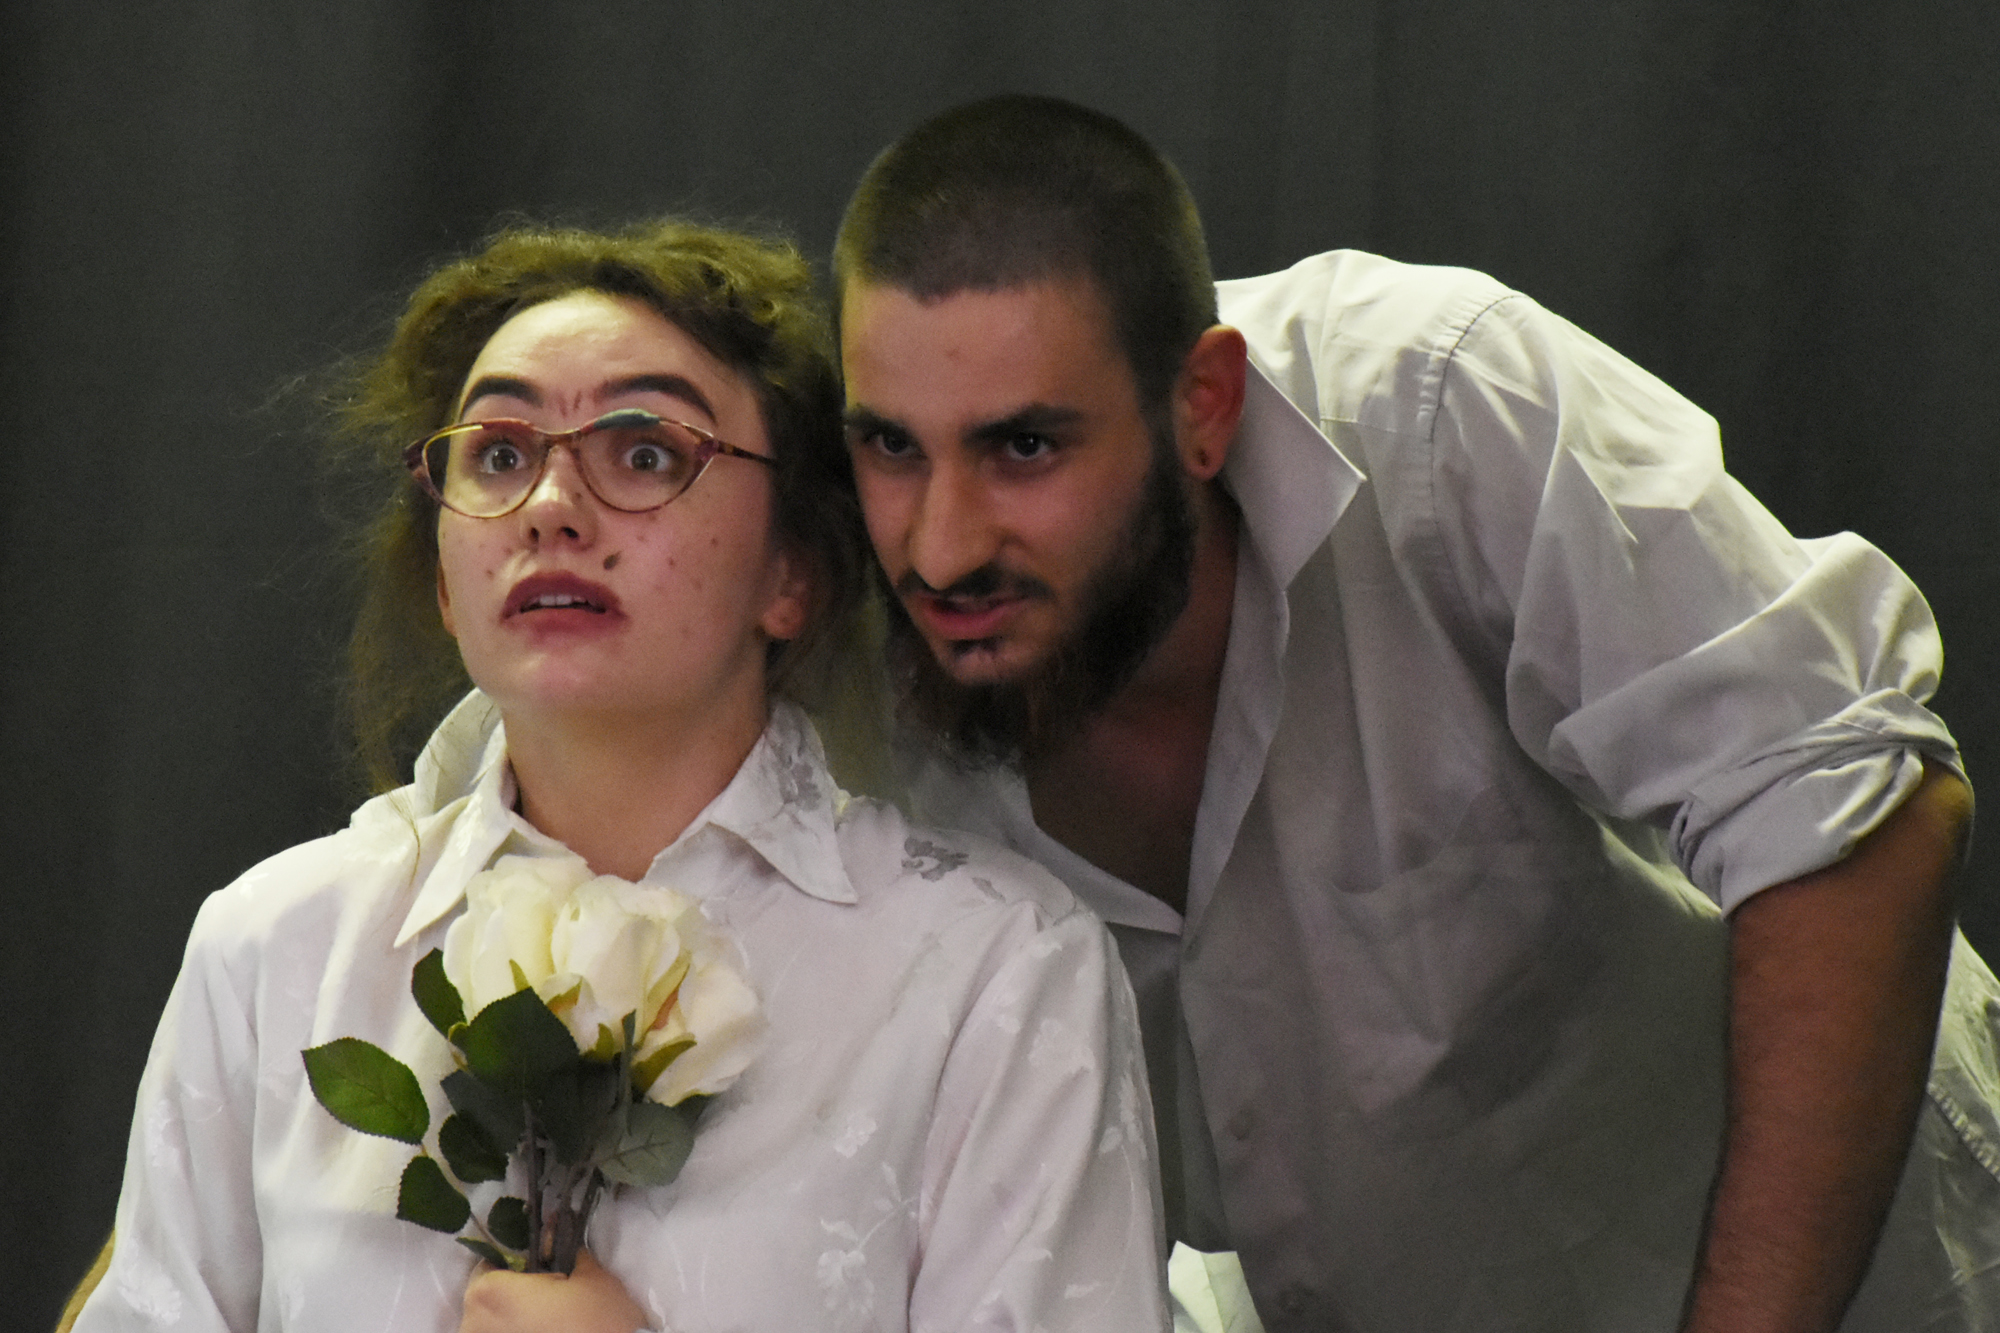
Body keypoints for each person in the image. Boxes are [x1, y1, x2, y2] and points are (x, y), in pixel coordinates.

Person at [829, 94, 2000, 1333]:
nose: (939, 548)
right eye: (890, 447)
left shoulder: (1434, 401)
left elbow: (1857, 814)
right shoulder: (828, 643)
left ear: (1203, 406)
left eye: (1023, 448)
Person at [73, 219, 1167, 1333]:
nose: (550, 505)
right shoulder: (276, 949)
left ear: (790, 572)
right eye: (499, 455)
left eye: (645, 453)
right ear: (446, 581)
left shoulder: (996, 973)